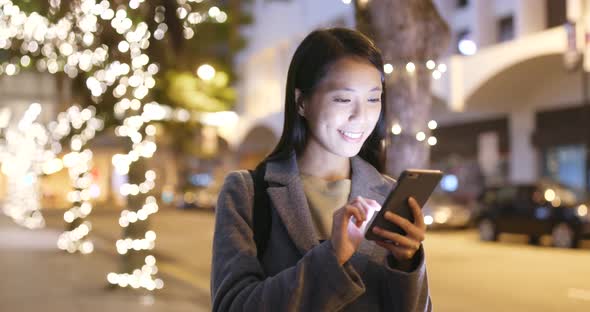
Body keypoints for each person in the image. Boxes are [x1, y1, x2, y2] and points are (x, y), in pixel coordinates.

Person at [211, 27, 431, 312]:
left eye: (373, 99)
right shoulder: (247, 192)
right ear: (302, 102)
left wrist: (408, 264)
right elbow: (232, 306)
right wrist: (332, 258)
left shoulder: (388, 193)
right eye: (343, 99)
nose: (361, 116)